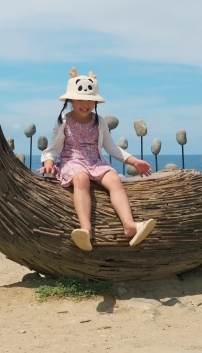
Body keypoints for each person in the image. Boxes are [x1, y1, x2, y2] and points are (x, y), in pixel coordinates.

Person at [37, 68, 156, 251]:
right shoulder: (64, 120)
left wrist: (134, 162)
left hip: (95, 161)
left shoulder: (99, 121)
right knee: (81, 179)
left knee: (114, 179)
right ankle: (86, 229)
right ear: (71, 100)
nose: (85, 104)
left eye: (90, 100)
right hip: (72, 160)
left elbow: (111, 147)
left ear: (95, 102)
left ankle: (129, 225)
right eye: (80, 100)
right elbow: (53, 148)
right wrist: (49, 164)